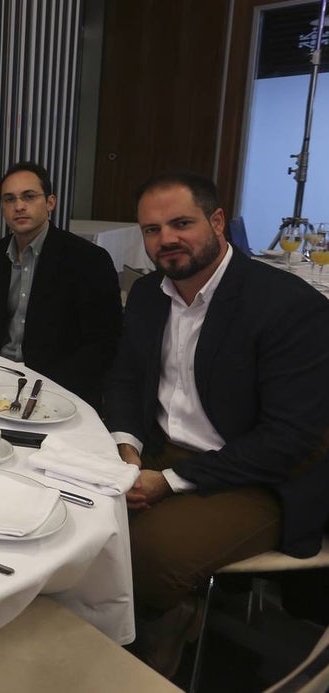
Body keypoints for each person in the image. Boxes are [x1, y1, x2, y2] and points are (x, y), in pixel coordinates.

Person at [104, 172, 329, 676]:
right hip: (160, 451)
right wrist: (127, 448)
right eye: (152, 230)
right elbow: (123, 377)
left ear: (217, 221)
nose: (166, 239)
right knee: (74, 518)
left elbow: (289, 440)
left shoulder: (288, 306)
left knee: (143, 555)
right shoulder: (147, 295)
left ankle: (166, 628)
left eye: (181, 223)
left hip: (257, 475)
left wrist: (169, 482)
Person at [0, 161, 121, 408]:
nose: (19, 206)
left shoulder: (89, 260)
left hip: (57, 388)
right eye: (9, 199)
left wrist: (47, 385)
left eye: (29, 196)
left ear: (50, 202)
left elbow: (103, 344)